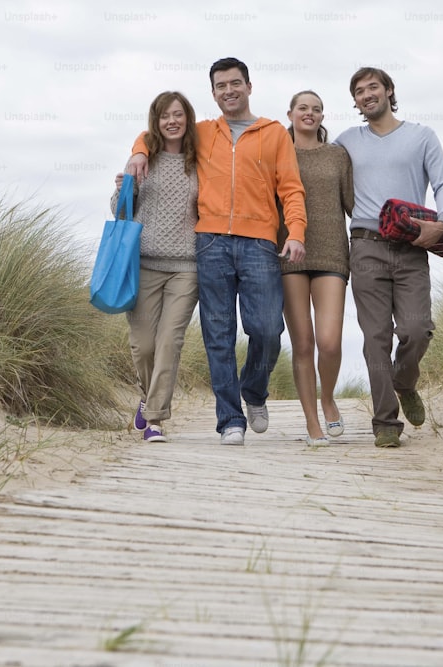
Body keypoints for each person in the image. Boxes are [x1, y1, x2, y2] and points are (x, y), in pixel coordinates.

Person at [125, 57, 307, 446]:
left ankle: (255, 390)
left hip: (260, 242)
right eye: (221, 85)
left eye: (235, 83)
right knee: (218, 335)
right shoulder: (203, 132)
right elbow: (157, 129)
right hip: (209, 242)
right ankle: (229, 419)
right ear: (213, 93)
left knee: (267, 329)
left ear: (249, 86)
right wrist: (138, 151)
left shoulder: (274, 133)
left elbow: (291, 189)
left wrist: (296, 232)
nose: (229, 90)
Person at [334, 67, 443, 448]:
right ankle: (385, 422)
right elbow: (314, 168)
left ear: (389, 90)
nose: (367, 94)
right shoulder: (346, 142)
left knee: (417, 330)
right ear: (354, 101)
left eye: (373, 87)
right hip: (366, 246)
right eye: (359, 91)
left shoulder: (421, 136)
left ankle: (404, 382)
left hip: (411, 244)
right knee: (375, 338)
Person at [112, 91, 200, 443]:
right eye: (165, 116)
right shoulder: (142, 160)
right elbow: (120, 214)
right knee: (144, 345)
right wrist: (123, 191)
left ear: (187, 118)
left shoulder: (200, 162)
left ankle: (156, 419)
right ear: (156, 121)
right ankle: (148, 397)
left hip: (187, 266)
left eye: (178, 114)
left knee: (169, 342)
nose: (172, 121)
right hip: (144, 264)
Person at [278, 91, 354, 447]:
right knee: (304, 344)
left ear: (323, 116)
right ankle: (312, 423)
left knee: (330, 342)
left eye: (317, 109)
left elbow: (355, 203)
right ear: (290, 113)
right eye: (303, 108)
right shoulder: (277, 152)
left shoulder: (338, 156)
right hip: (289, 254)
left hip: (332, 253)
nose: (310, 113)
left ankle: (328, 398)